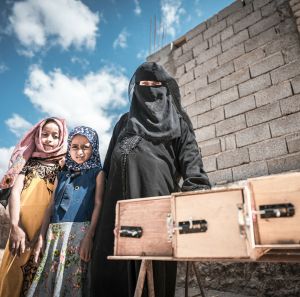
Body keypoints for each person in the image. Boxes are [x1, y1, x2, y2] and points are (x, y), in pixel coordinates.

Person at [91, 62, 211, 297]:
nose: (149, 89)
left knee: (151, 280)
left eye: (155, 84)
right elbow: (105, 172)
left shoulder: (179, 123)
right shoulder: (124, 123)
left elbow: (194, 169)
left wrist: (193, 206)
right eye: (143, 84)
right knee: (109, 278)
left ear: (165, 88)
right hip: (114, 216)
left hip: (156, 212)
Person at [26, 126, 105, 297]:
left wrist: (89, 237)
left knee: (73, 281)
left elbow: (98, 204)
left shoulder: (97, 173)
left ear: (94, 148)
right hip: (54, 236)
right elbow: (51, 206)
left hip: (79, 235)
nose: (80, 152)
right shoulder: (62, 175)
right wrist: (41, 237)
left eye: (86, 146)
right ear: (69, 148)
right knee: (49, 281)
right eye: (75, 146)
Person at [0, 117, 67, 297]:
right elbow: (14, 193)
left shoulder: (62, 165)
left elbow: (53, 202)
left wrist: (41, 236)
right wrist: (15, 226)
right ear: (37, 135)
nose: (49, 140)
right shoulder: (26, 162)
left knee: (36, 277)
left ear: (61, 138)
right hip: (20, 228)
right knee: (11, 275)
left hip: (44, 232)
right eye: (45, 135)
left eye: (55, 136)